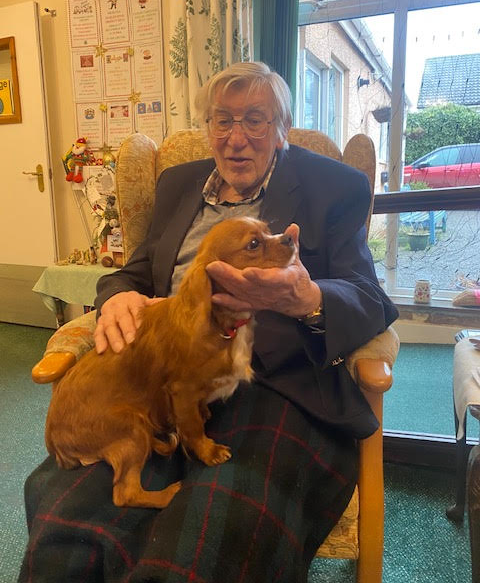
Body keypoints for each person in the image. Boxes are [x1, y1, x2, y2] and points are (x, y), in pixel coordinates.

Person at [20, 61, 398, 583]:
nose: (235, 138)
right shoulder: (177, 183)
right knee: (67, 522)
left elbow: (370, 299)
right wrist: (117, 297)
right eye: (222, 120)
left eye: (255, 120)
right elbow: (133, 272)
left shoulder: (333, 185)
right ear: (207, 127)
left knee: (211, 535)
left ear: (282, 127)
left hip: (276, 387)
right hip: (160, 383)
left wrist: (306, 298)